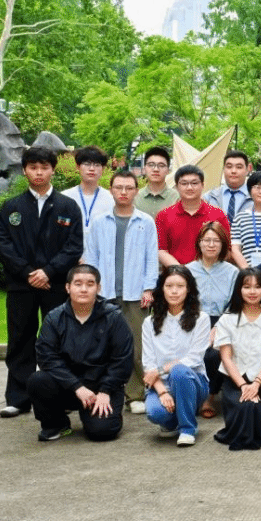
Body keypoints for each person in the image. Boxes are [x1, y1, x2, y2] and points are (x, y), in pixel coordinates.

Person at [0, 146, 84, 418]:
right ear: (25, 170)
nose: (39, 172)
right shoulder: (11, 208)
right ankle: (18, 398)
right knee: (20, 339)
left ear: (53, 170)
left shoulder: (68, 207)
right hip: (21, 286)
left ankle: (60, 395)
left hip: (54, 285)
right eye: (33, 167)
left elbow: (74, 246)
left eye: (44, 167)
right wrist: (28, 273)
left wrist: (48, 272)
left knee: (59, 340)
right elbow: (4, 246)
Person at [81, 169, 157, 415]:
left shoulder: (145, 221)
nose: (123, 192)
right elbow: (91, 257)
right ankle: (105, 393)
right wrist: (92, 288)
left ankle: (136, 394)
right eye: (118, 187)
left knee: (137, 348)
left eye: (129, 188)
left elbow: (151, 258)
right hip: (105, 293)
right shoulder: (99, 221)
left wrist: (149, 288)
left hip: (136, 294)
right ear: (111, 190)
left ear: (136, 191)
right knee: (103, 346)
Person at [27, 264, 132, 441]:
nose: (84, 289)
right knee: (38, 380)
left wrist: (105, 391)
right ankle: (57, 423)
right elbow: (46, 358)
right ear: (68, 288)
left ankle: (94, 415)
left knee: (103, 431)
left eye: (90, 284)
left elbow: (122, 360)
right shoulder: (54, 318)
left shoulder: (113, 318)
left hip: (101, 387)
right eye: (78, 284)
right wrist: (77, 387)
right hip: (68, 386)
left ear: (98, 288)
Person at [212, 267, 261, 450]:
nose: (252, 292)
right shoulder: (227, 320)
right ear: (239, 289)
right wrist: (244, 386)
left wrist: (256, 384)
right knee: (247, 408)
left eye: (258, 287)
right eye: (247, 287)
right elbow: (226, 358)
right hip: (235, 381)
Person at [141, 264, 211, 446]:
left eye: (180, 286)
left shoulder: (201, 319)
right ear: (161, 289)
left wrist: (161, 370)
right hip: (161, 383)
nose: (174, 291)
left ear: (189, 290)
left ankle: (188, 429)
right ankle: (173, 421)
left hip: (192, 381)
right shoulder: (149, 322)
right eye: (169, 286)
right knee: (156, 413)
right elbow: (148, 364)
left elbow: (194, 358)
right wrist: (162, 391)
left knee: (179, 371)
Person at [155, 164, 230, 268]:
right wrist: (181, 272)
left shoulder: (218, 215)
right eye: (184, 183)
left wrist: (203, 270)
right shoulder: (164, 216)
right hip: (175, 274)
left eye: (194, 183)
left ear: (202, 185)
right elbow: (161, 250)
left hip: (210, 272)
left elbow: (227, 250)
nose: (189, 187)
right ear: (176, 187)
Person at [186, 222, 239, 319]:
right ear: (199, 243)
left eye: (216, 241)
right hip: (192, 321)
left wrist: (220, 324)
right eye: (207, 240)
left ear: (223, 244)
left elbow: (235, 305)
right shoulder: (188, 271)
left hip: (223, 322)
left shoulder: (233, 272)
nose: (211, 245)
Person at [61, 145, 112, 228]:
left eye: (97, 165)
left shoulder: (111, 199)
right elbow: (60, 228)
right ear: (78, 167)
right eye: (87, 164)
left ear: (103, 169)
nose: (92, 169)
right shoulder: (65, 198)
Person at [203, 149, 251, 224]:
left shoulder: (255, 199)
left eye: (239, 167)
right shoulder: (209, 197)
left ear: (247, 169)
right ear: (223, 169)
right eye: (229, 167)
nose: (233, 171)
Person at [133, 145, 178, 217]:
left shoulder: (177, 198)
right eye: (151, 165)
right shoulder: (135, 198)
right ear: (144, 168)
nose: (156, 169)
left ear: (168, 170)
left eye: (161, 165)